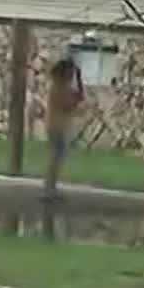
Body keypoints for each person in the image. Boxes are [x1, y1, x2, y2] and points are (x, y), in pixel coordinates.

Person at [42, 57, 84, 203]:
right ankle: (49, 189)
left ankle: (51, 188)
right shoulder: (58, 87)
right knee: (55, 158)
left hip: (59, 126)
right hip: (55, 126)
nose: (71, 76)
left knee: (57, 158)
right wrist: (75, 98)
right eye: (70, 73)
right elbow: (69, 104)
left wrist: (79, 79)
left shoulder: (64, 87)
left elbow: (79, 97)